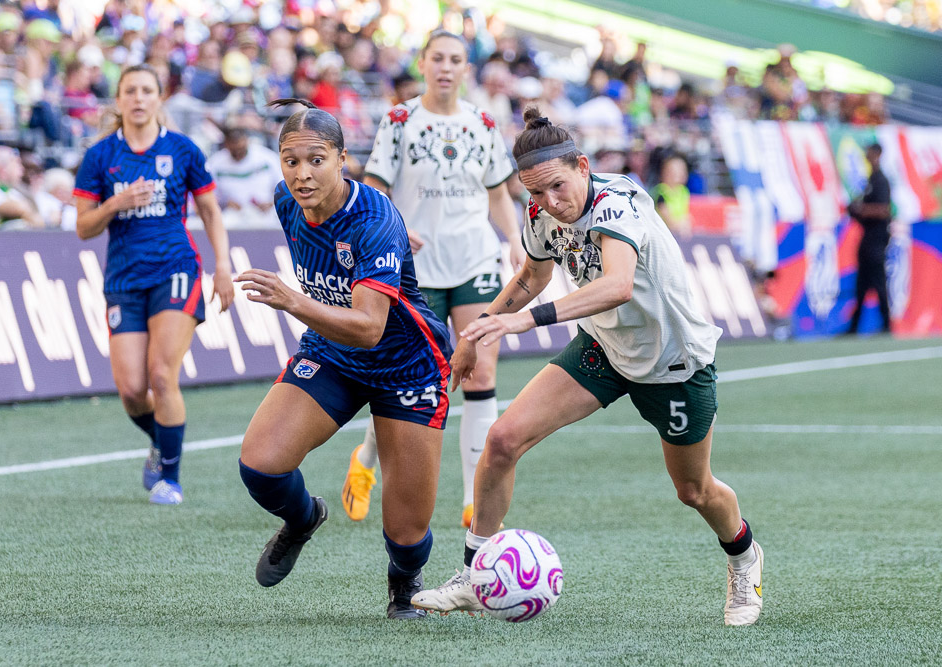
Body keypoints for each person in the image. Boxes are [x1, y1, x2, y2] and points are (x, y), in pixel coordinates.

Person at [412, 109, 765, 627]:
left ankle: (744, 557)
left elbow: (617, 285)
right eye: (535, 194)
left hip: (672, 361)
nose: (549, 203)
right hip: (603, 348)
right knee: (504, 440)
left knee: (694, 491)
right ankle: (473, 574)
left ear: (582, 166)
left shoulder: (616, 202)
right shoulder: (541, 212)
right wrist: (480, 327)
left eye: (557, 186)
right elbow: (533, 274)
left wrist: (523, 324)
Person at [234, 99, 452, 620]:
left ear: (342, 158)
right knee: (260, 466)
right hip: (333, 352)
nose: (302, 174)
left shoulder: (374, 218)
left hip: (406, 363)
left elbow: (371, 325)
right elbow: (340, 321)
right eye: (291, 160)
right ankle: (304, 517)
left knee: (406, 530)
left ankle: (404, 587)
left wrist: (295, 301)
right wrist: (308, 310)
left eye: (316, 159)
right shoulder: (287, 204)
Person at [343, 29, 525, 528]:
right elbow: (373, 189)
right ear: (423, 63)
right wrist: (397, 229)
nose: (446, 67)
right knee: (415, 379)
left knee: (481, 373)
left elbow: (497, 192)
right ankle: (365, 462)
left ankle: (471, 498)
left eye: (456, 60)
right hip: (413, 268)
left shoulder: (484, 122)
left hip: (474, 261)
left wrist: (512, 237)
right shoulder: (399, 119)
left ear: (466, 69)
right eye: (438, 58)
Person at [73, 64, 234, 505]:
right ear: (119, 100)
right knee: (131, 391)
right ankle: (162, 440)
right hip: (123, 279)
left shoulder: (183, 150)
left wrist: (223, 265)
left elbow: (210, 212)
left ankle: (171, 479)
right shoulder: (100, 156)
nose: (139, 98)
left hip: (176, 270)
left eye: (147, 90)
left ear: (159, 98)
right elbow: (83, 227)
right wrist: (116, 204)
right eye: (131, 91)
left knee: (163, 375)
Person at [846, 143, 892, 334]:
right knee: (862, 284)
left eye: (870, 153)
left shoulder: (881, 181)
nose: (867, 156)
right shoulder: (870, 181)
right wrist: (854, 209)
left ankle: (886, 325)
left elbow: (883, 210)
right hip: (867, 237)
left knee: (878, 281)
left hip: (877, 238)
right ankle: (855, 326)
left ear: (878, 155)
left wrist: (861, 210)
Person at [205, 126, 284, 227]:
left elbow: (283, 185)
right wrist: (225, 203)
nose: (238, 153)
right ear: (226, 145)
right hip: (231, 215)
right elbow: (209, 194)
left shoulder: (267, 157)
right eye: (234, 150)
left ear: (247, 141)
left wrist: (271, 202)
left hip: (266, 212)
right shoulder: (215, 163)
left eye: (241, 149)